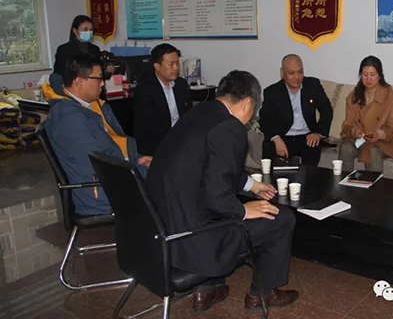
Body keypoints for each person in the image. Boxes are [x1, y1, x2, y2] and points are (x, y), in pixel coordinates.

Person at [145, 70, 299, 313]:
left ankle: (206, 290)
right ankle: (263, 294)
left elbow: (210, 169)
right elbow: (217, 198)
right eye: (254, 108)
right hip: (193, 240)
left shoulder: (199, 113)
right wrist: (244, 210)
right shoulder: (230, 127)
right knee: (281, 218)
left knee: (211, 205)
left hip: (159, 231)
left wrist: (251, 185)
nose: (251, 116)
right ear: (247, 102)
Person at [44, 55, 151, 216]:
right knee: (170, 180)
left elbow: (108, 149)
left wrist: (135, 161)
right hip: (101, 194)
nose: (102, 83)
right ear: (79, 82)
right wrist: (136, 168)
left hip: (110, 181)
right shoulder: (70, 119)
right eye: (99, 78)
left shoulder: (85, 107)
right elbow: (97, 164)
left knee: (169, 172)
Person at [259, 54, 333, 165]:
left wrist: (318, 133)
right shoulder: (272, 92)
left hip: (307, 136)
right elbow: (265, 119)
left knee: (312, 154)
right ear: (282, 73)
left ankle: (309, 176)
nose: (297, 77)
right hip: (283, 136)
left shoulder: (313, 85)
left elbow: (326, 109)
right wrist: (276, 139)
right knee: (270, 149)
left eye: (300, 72)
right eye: (291, 73)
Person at [339, 55, 393, 173]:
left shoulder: (390, 97)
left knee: (374, 150)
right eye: (365, 74)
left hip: (383, 141)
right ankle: (344, 183)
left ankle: (374, 185)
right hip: (361, 140)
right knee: (346, 147)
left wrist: (380, 134)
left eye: (373, 74)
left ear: (379, 76)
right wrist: (355, 131)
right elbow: (348, 123)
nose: (368, 79)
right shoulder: (353, 96)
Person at [133, 43, 192, 155]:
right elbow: (149, 128)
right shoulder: (145, 90)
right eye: (171, 64)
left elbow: (188, 115)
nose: (176, 68)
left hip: (182, 140)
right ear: (157, 67)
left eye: (177, 63)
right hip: (158, 145)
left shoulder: (181, 84)